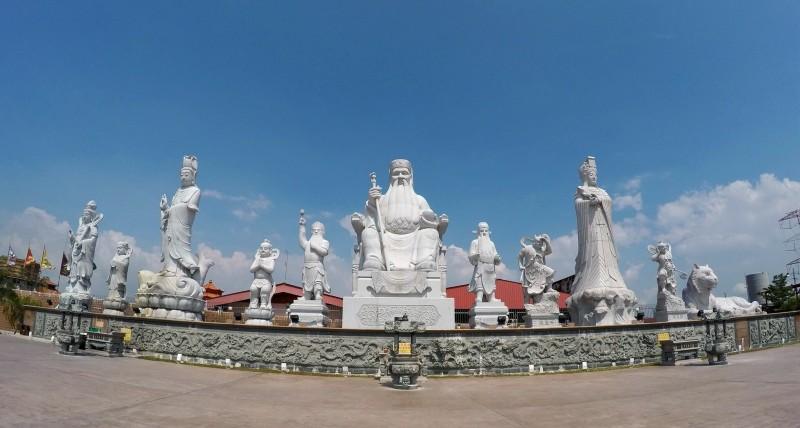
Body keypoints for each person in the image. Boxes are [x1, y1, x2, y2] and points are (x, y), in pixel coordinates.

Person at [299, 212, 330, 300]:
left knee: (318, 282)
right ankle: (306, 296)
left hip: (317, 265)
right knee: (306, 282)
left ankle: (317, 294)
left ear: (322, 231)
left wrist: (315, 247)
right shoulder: (308, 243)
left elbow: (324, 252)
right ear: (311, 231)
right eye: (314, 229)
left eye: (318, 230)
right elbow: (302, 240)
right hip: (307, 265)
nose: (316, 231)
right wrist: (302, 226)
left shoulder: (324, 242)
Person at [468, 222, 502, 302]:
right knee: (480, 281)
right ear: (478, 232)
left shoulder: (491, 243)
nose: (484, 232)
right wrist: (475, 256)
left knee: (491, 281)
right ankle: (479, 296)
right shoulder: (475, 242)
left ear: (488, 231)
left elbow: (495, 253)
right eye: (482, 230)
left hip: (490, 266)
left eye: (486, 231)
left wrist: (497, 258)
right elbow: (471, 254)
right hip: (481, 265)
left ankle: (491, 297)